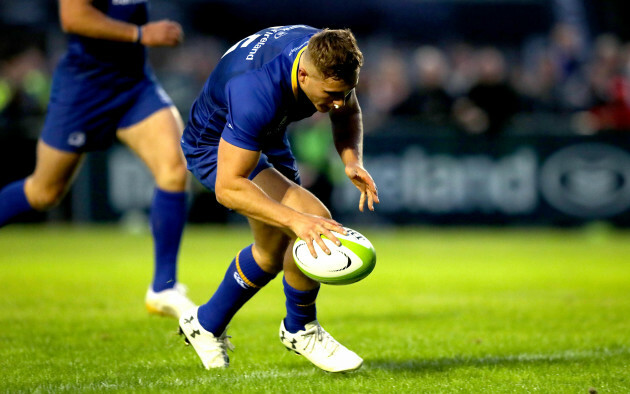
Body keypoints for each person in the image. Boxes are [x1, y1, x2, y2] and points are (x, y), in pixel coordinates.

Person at [178, 25, 379, 372]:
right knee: (314, 219)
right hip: (216, 145)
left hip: (267, 131)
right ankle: (300, 328)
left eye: (344, 92)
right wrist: (296, 220)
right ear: (302, 73)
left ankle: (205, 323)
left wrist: (351, 160)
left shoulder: (325, 55)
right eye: (331, 93)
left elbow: (348, 112)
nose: (336, 102)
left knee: (271, 255)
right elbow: (229, 187)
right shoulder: (254, 91)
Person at [0, 0, 194, 318]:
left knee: (174, 167)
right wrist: (140, 33)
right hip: (85, 86)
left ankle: (164, 286)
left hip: (134, 84)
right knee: (43, 193)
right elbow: (73, 16)